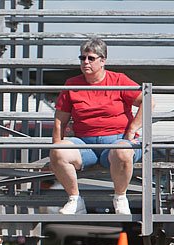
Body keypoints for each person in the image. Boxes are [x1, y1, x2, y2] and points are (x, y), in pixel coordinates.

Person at [50, 38, 149, 215]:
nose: (85, 62)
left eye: (90, 58)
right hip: (84, 144)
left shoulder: (118, 80)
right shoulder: (71, 84)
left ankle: (120, 197)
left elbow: (148, 102)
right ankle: (75, 200)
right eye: (82, 58)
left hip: (117, 141)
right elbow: (60, 121)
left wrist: (132, 129)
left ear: (102, 60)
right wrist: (54, 156)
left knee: (122, 151)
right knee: (58, 150)